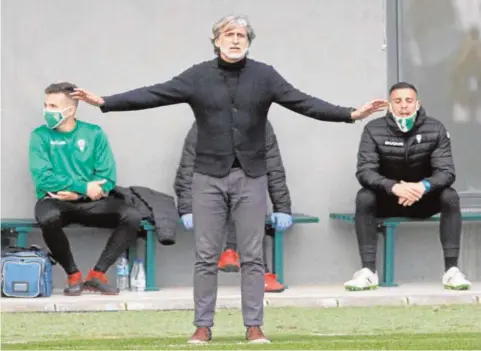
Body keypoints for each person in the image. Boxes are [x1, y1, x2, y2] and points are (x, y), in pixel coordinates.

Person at [71, 14, 387, 344]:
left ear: (248, 42)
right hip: (207, 176)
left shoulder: (264, 76)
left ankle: (254, 326)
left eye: (241, 35)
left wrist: (351, 114)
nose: (236, 40)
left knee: (252, 256)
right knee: (206, 257)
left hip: (251, 176)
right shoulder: (198, 76)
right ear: (216, 40)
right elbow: (154, 94)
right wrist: (105, 102)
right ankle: (203, 326)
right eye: (229, 34)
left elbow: (303, 102)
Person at [345, 81, 471, 291]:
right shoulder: (373, 129)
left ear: (417, 103)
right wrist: (394, 187)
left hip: (423, 199)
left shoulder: (436, 128)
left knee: (450, 196)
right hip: (388, 198)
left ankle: (452, 271)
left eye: (409, 100)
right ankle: (368, 272)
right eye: (398, 101)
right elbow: (365, 171)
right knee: (364, 196)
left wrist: (423, 186)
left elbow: (447, 171)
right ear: (390, 105)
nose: (404, 105)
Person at [29, 82, 141, 296]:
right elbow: (43, 178)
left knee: (132, 216)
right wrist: (82, 186)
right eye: (45, 105)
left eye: (53, 106)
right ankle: (73, 275)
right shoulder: (39, 136)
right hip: (55, 201)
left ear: (70, 110)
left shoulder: (94, 133)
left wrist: (81, 194)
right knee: (47, 218)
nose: (47, 111)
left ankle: (97, 275)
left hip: (91, 203)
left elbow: (107, 177)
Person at [174, 120, 292, 293]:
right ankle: (247, 265)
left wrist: (282, 208)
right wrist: (186, 207)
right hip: (211, 189)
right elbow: (188, 165)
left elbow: (273, 166)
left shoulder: (260, 123)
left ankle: (232, 253)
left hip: (246, 187)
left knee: (250, 204)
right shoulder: (204, 121)